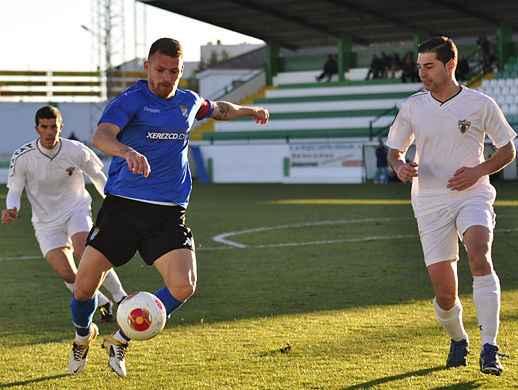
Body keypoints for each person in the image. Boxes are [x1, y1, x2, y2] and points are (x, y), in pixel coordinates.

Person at [67, 37, 269, 377]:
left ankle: (120, 338)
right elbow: (101, 136)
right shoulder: (131, 100)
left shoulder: (188, 102)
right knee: (85, 287)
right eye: (160, 70)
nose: (166, 77)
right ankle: (83, 335)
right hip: (123, 208)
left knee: (183, 286)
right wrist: (127, 152)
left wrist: (252, 111)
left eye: (174, 71)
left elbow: (218, 108)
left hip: (168, 213)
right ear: (147, 67)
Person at [387, 36, 515, 376]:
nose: (422, 73)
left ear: (450, 65)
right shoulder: (413, 106)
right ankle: (459, 338)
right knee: (445, 293)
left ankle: (490, 347)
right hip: (428, 201)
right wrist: (399, 166)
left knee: (479, 253)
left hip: (472, 194)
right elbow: (395, 150)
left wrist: (478, 171)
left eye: (428, 66)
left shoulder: (480, 103)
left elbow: (507, 149)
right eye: (419, 67)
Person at [1, 105, 128, 322]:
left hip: (76, 210)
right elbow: (14, 189)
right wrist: (13, 208)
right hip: (45, 223)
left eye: (54, 126)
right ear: (37, 128)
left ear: (61, 127)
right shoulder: (23, 156)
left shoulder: (75, 149)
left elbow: (97, 176)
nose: (50, 131)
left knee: (85, 252)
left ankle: (121, 298)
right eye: (44, 127)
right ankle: (103, 302)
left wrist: (111, 200)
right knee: (67, 274)